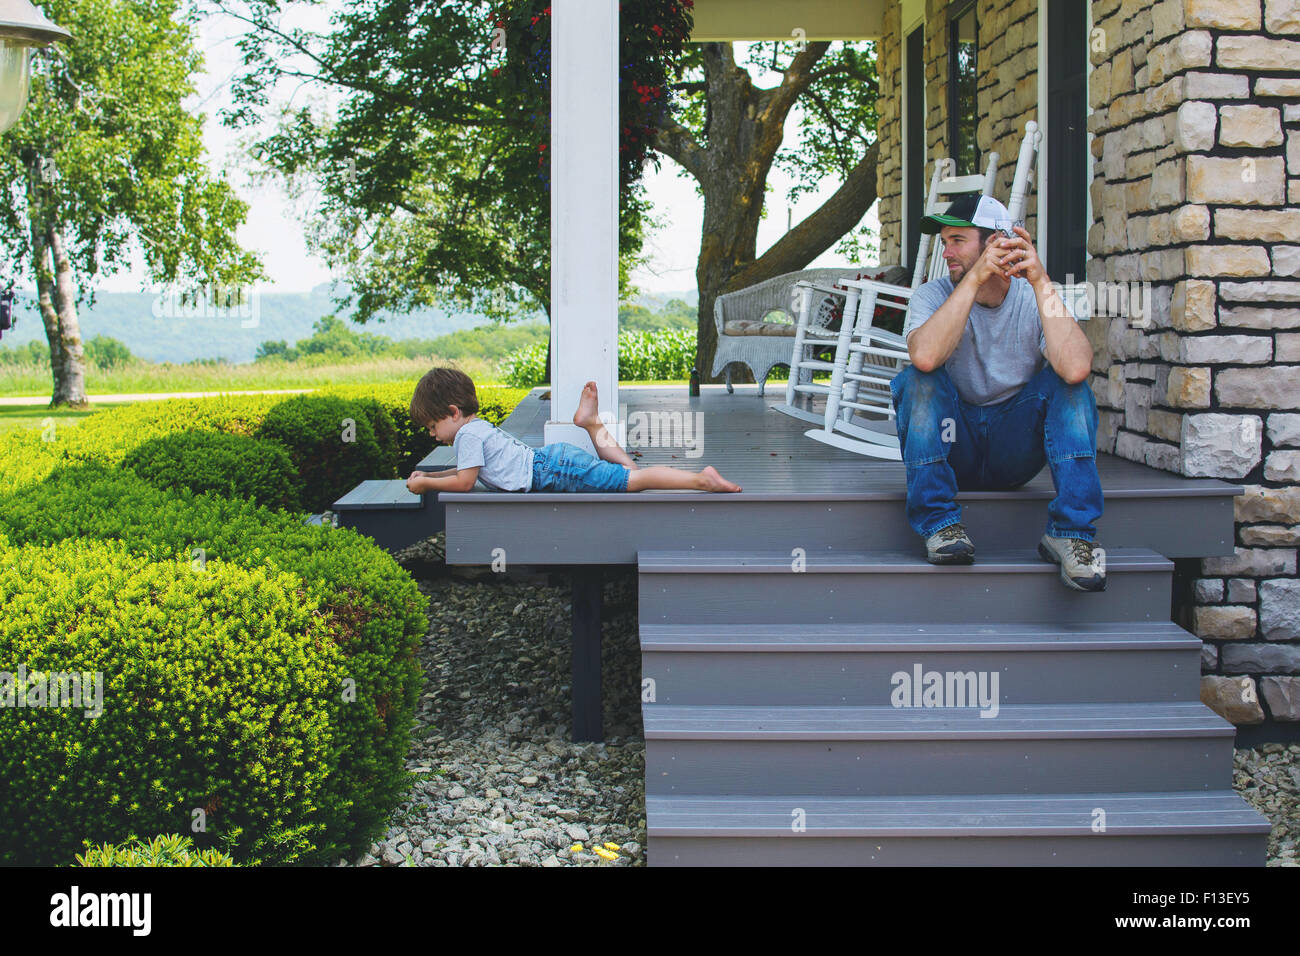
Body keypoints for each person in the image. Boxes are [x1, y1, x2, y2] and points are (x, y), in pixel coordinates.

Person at [890, 193, 1105, 591]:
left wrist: (1040, 281)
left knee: (1071, 387)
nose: (947, 253)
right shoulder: (931, 295)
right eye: (944, 243)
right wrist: (973, 279)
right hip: (957, 445)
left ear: (994, 243)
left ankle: (1071, 534)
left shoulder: (1036, 296)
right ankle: (941, 526)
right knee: (917, 380)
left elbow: (1076, 367)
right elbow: (924, 357)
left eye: (957, 241)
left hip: (1014, 448)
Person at [406, 367, 742, 494]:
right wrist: (431, 476)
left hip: (556, 471)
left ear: (453, 412)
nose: (434, 435)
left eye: (433, 426)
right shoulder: (475, 429)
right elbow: (466, 471)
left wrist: (426, 487)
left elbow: (465, 483)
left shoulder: (466, 434)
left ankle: (701, 480)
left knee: (634, 481)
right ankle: (590, 422)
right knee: (631, 473)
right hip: (553, 464)